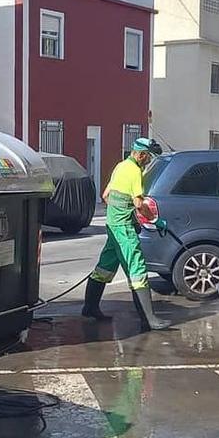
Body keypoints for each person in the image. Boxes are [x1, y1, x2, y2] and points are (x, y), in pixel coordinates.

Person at [81, 137, 170, 331]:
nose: (148, 161)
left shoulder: (120, 166)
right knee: (136, 269)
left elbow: (106, 196)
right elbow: (139, 203)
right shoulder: (134, 171)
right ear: (141, 154)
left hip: (113, 225)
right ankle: (149, 319)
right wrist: (155, 220)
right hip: (123, 229)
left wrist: (123, 214)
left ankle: (90, 307)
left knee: (105, 267)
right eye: (148, 157)